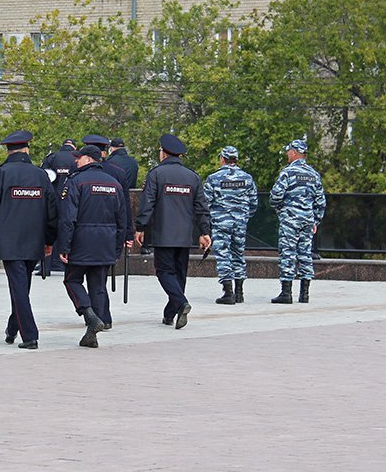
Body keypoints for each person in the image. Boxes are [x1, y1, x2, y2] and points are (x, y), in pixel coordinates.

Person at [0, 130, 58, 350]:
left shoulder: (0, 174)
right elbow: (52, 211)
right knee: (22, 286)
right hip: (35, 239)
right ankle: (12, 329)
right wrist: (50, 240)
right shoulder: (41, 175)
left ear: (8, 151)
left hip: (9, 241)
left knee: (19, 287)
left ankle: (30, 336)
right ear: (27, 149)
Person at [133, 133, 211, 329]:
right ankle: (170, 314)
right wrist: (205, 232)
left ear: (164, 153)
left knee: (164, 272)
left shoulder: (156, 174)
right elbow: (202, 207)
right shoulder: (192, 176)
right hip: (184, 235)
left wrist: (140, 227)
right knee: (179, 274)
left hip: (163, 234)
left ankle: (181, 303)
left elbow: (147, 203)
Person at [56, 144, 126, 348]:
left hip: (81, 243)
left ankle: (88, 314)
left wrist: (64, 246)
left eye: (78, 158)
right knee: (98, 286)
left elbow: (68, 218)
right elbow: (122, 220)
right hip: (106, 244)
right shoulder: (114, 184)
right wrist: (117, 249)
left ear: (88, 159)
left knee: (72, 280)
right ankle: (93, 331)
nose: (75, 161)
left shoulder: (76, 181)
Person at [82, 133, 135, 328]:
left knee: (89, 278)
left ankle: (98, 316)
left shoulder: (80, 173)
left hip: (85, 231)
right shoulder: (118, 172)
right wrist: (127, 233)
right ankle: (104, 316)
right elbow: (125, 207)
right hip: (111, 231)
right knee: (100, 277)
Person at [268, 139, 326, 304]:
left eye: (288, 151)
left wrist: (281, 210)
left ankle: (286, 293)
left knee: (288, 253)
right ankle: (304, 294)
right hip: (307, 219)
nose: (287, 154)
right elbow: (320, 201)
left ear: (294, 152)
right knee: (305, 254)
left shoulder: (288, 172)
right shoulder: (313, 174)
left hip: (290, 220)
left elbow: (275, 197)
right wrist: (315, 220)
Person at [203, 146, 258, 304]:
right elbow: (254, 202)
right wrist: (244, 217)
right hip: (240, 222)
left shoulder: (214, 178)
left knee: (223, 255)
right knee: (238, 254)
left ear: (222, 159)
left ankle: (228, 292)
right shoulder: (247, 178)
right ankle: (239, 293)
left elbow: (206, 202)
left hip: (221, 222)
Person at [38, 138, 77, 277]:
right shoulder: (77, 158)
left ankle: (45, 267)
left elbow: (43, 177)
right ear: (74, 147)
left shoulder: (52, 157)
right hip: (71, 200)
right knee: (69, 230)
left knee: (49, 230)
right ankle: (68, 265)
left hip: (52, 200)